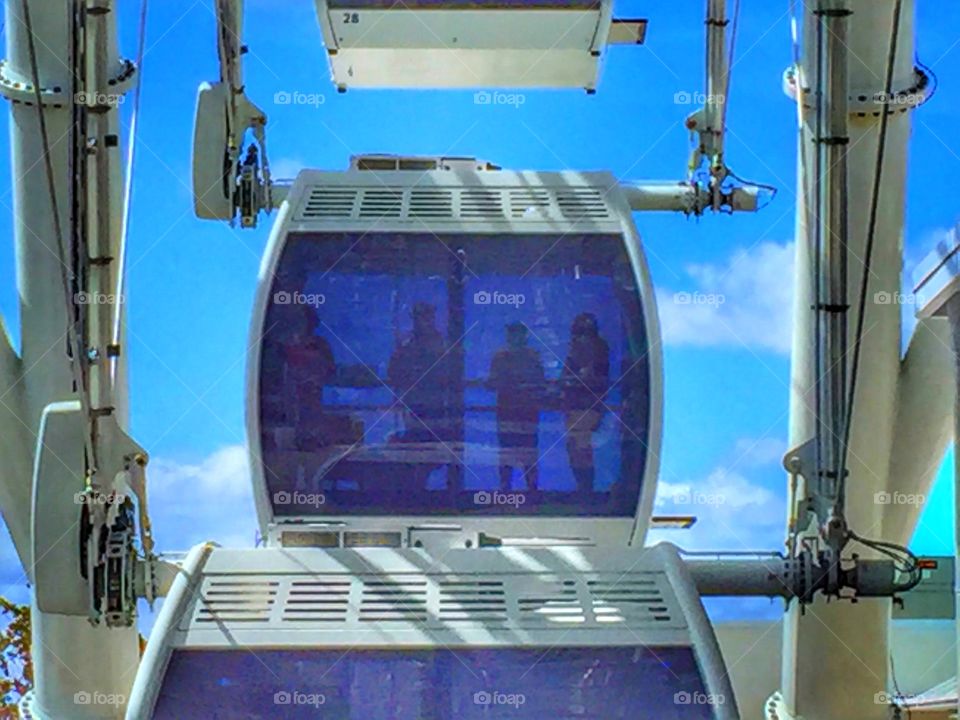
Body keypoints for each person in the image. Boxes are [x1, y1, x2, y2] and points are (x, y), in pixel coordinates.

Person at [487, 322, 546, 491]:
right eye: (512, 334)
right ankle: (506, 489)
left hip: (527, 412)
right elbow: (492, 382)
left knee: (528, 452)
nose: (515, 338)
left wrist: (524, 386)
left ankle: (532, 489)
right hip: (507, 411)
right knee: (507, 452)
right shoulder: (500, 357)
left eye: (518, 334)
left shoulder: (533, 356)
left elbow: (540, 383)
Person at [387, 302, 454, 443]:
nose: (423, 321)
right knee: (415, 437)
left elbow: (448, 371)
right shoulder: (406, 343)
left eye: (427, 316)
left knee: (433, 438)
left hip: (435, 402)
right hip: (412, 401)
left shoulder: (442, 343)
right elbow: (394, 371)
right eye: (420, 317)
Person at [561, 313, 610, 494]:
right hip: (574, 406)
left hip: (587, 407)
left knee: (581, 448)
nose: (581, 337)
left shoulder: (597, 349)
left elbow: (592, 378)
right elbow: (567, 377)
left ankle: (586, 489)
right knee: (575, 447)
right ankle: (583, 487)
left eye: (586, 331)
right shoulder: (575, 350)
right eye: (579, 331)